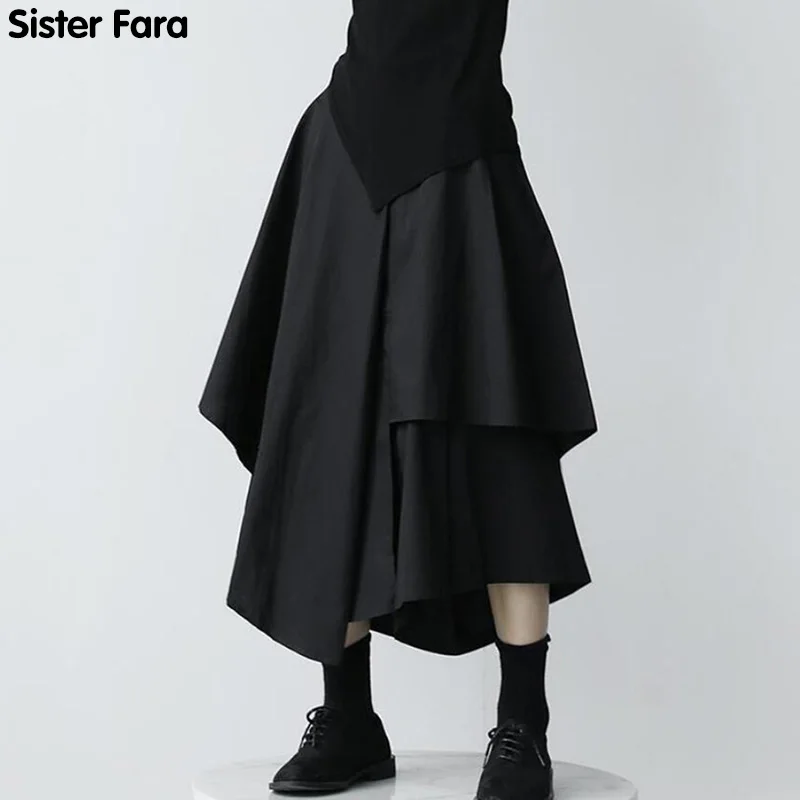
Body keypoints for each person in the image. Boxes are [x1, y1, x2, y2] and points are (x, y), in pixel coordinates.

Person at [198, 2, 597, 799]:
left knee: (498, 439)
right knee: (335, 430)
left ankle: (523, 723)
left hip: (462, 155)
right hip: (351, 151)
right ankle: (348, 717)